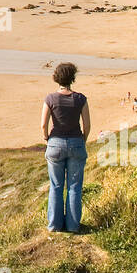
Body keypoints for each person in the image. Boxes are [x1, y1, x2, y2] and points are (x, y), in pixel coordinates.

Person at [40, 62, 91, 233]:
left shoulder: (50, 99)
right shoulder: (80, 99)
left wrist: (47, 139)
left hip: (55, 143)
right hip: (76, 142)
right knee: (74, 186)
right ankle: (73, 226)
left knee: (56, 185)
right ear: (73, 78)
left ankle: (54, 225)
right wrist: (82, 140)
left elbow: (43, 124)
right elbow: (87, 125)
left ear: (57, 78)